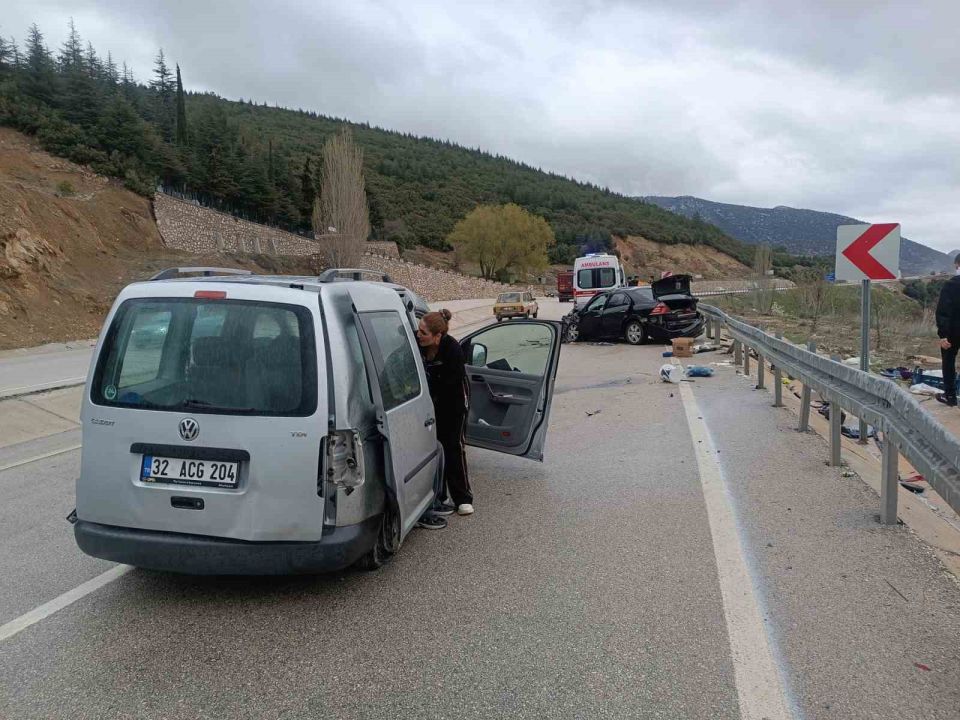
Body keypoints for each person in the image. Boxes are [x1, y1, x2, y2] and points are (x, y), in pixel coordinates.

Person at [416, 309, 474, 518]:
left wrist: (431, 397)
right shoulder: (417, 346)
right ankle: (438, 496)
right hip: (428, 402)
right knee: (431, 448)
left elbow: (450, 384)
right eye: (418, 330)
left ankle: (463, 498)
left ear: (438, 336)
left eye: (423, 332)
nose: (418, 335)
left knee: (452, 447)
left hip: (453, 403)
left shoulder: (452, 349)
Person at [935, 255, 960, 406]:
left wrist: (943, 334)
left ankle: (950, 396)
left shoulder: (951, 285)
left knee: (949, 361)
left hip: (953, 332)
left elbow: (943, 310)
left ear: (957, 265)